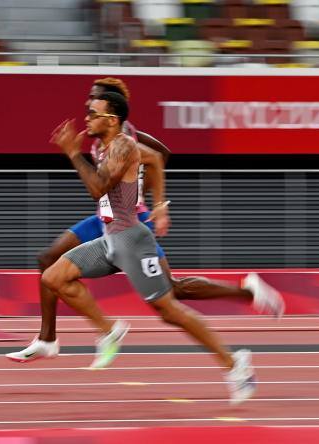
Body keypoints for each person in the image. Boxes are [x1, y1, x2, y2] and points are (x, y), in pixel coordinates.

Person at [6, 78, 283, 363]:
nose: (87, 106)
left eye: (94, 100)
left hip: (130, 220)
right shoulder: (99, 137)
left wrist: (154, 202)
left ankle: (246, 298)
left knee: (171, 294)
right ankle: (48, 338)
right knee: (49, 260)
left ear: (110, 112)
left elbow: (157, 157)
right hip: (107, 218)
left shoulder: (125, 137)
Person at [41, 92, 256, 403]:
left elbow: (97, 188)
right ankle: (109, 330)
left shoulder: (123, 146)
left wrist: (73, 154)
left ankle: (234, 364)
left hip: (133, 242)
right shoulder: (103, 146)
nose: (86, 118)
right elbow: (153, 159)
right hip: (109, 240)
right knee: (53, 276)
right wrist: (159, 202)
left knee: (170, 310)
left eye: (92, 113)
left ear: (112, 120)